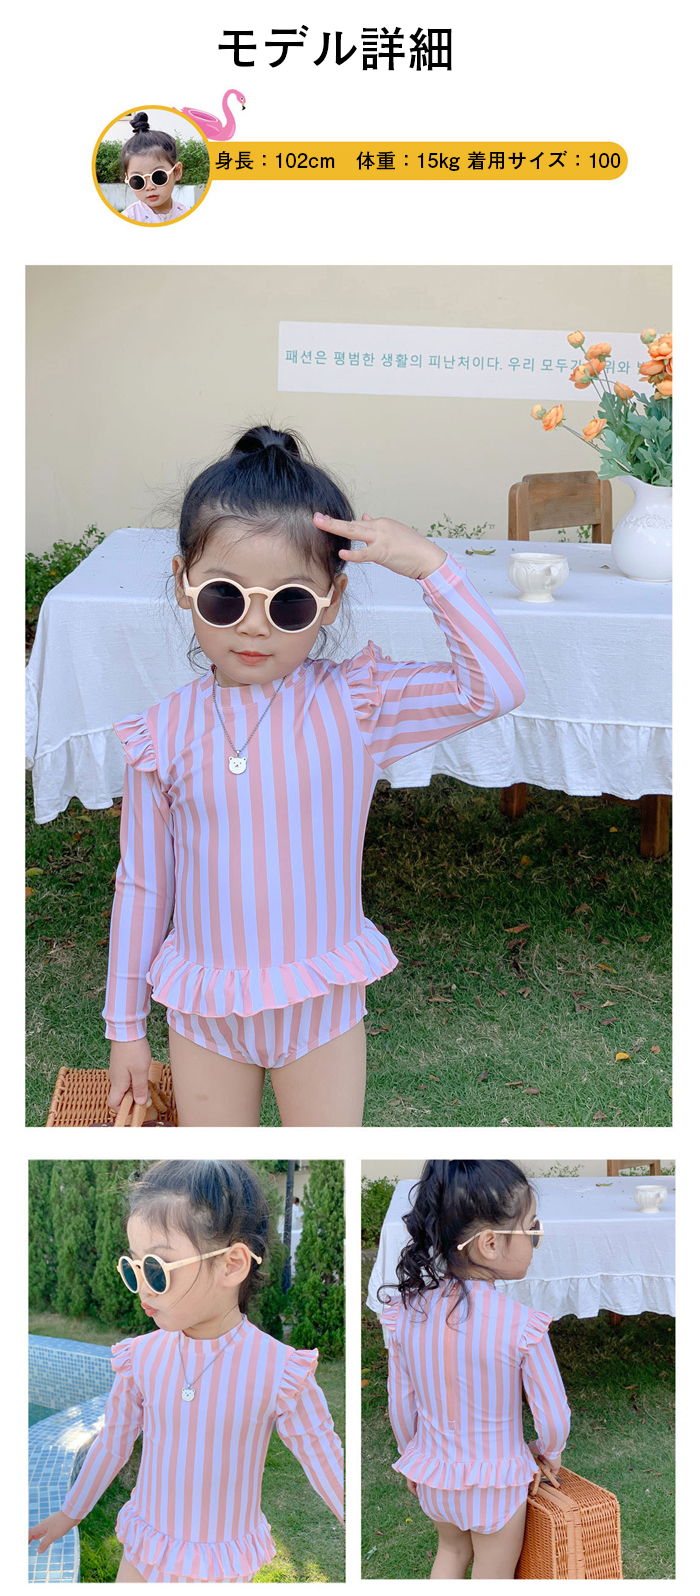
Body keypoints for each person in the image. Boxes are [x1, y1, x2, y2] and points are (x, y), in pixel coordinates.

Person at [104, 425, 526, 1127]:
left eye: (290, 601)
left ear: (330, 599)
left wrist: (432, 567)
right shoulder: (162, 732)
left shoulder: (358, 705)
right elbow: (144, 884)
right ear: (183, 584)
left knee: (331, 1165)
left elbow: (495, 688)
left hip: (321, 1011)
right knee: (219, 1175)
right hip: (205, 1014)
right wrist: (124, 1027)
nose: (254, 626)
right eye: (225, 597)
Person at [28, 1161, 343, 1584]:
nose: (143, 1287)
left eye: (156, 1270)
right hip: (145, 1548)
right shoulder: (141, 1358)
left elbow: (324, 1460)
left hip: (220, 1566)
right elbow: (112, 1444)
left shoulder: (279, 1371)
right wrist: (70, 1514)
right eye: (134, 1267)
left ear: (231, 1265)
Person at [378, 1160, 570, 1580]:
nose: (536, 1239)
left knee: (450, 1553)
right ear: (490, 1243)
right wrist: (549, 1453)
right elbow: (553, 1415)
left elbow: (400, 1402)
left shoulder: (404, 1316)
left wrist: (412, 1454)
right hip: (497, 1482)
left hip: (434, 1474)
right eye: (532, 1229)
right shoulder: (522, 1326)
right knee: (492, 1572)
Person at [120, 113, 190, 224]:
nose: (149, 187)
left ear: (177, 171)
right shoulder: (128, 218)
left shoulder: (187, 214)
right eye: (138, 180)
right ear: (127, 179)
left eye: (158, 176)